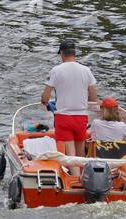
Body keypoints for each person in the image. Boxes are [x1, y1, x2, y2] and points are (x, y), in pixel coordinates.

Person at [41, 39, 97, 167]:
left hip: (63, 117)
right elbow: (93, 97)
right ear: (74, 53)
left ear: (62, 53)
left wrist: (44, 101)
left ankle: (74, 181)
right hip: (81, 117)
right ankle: (83, 179)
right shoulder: (86, 70)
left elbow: (45, 97)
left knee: (70, 155)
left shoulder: (56, 70)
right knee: (80, 153)